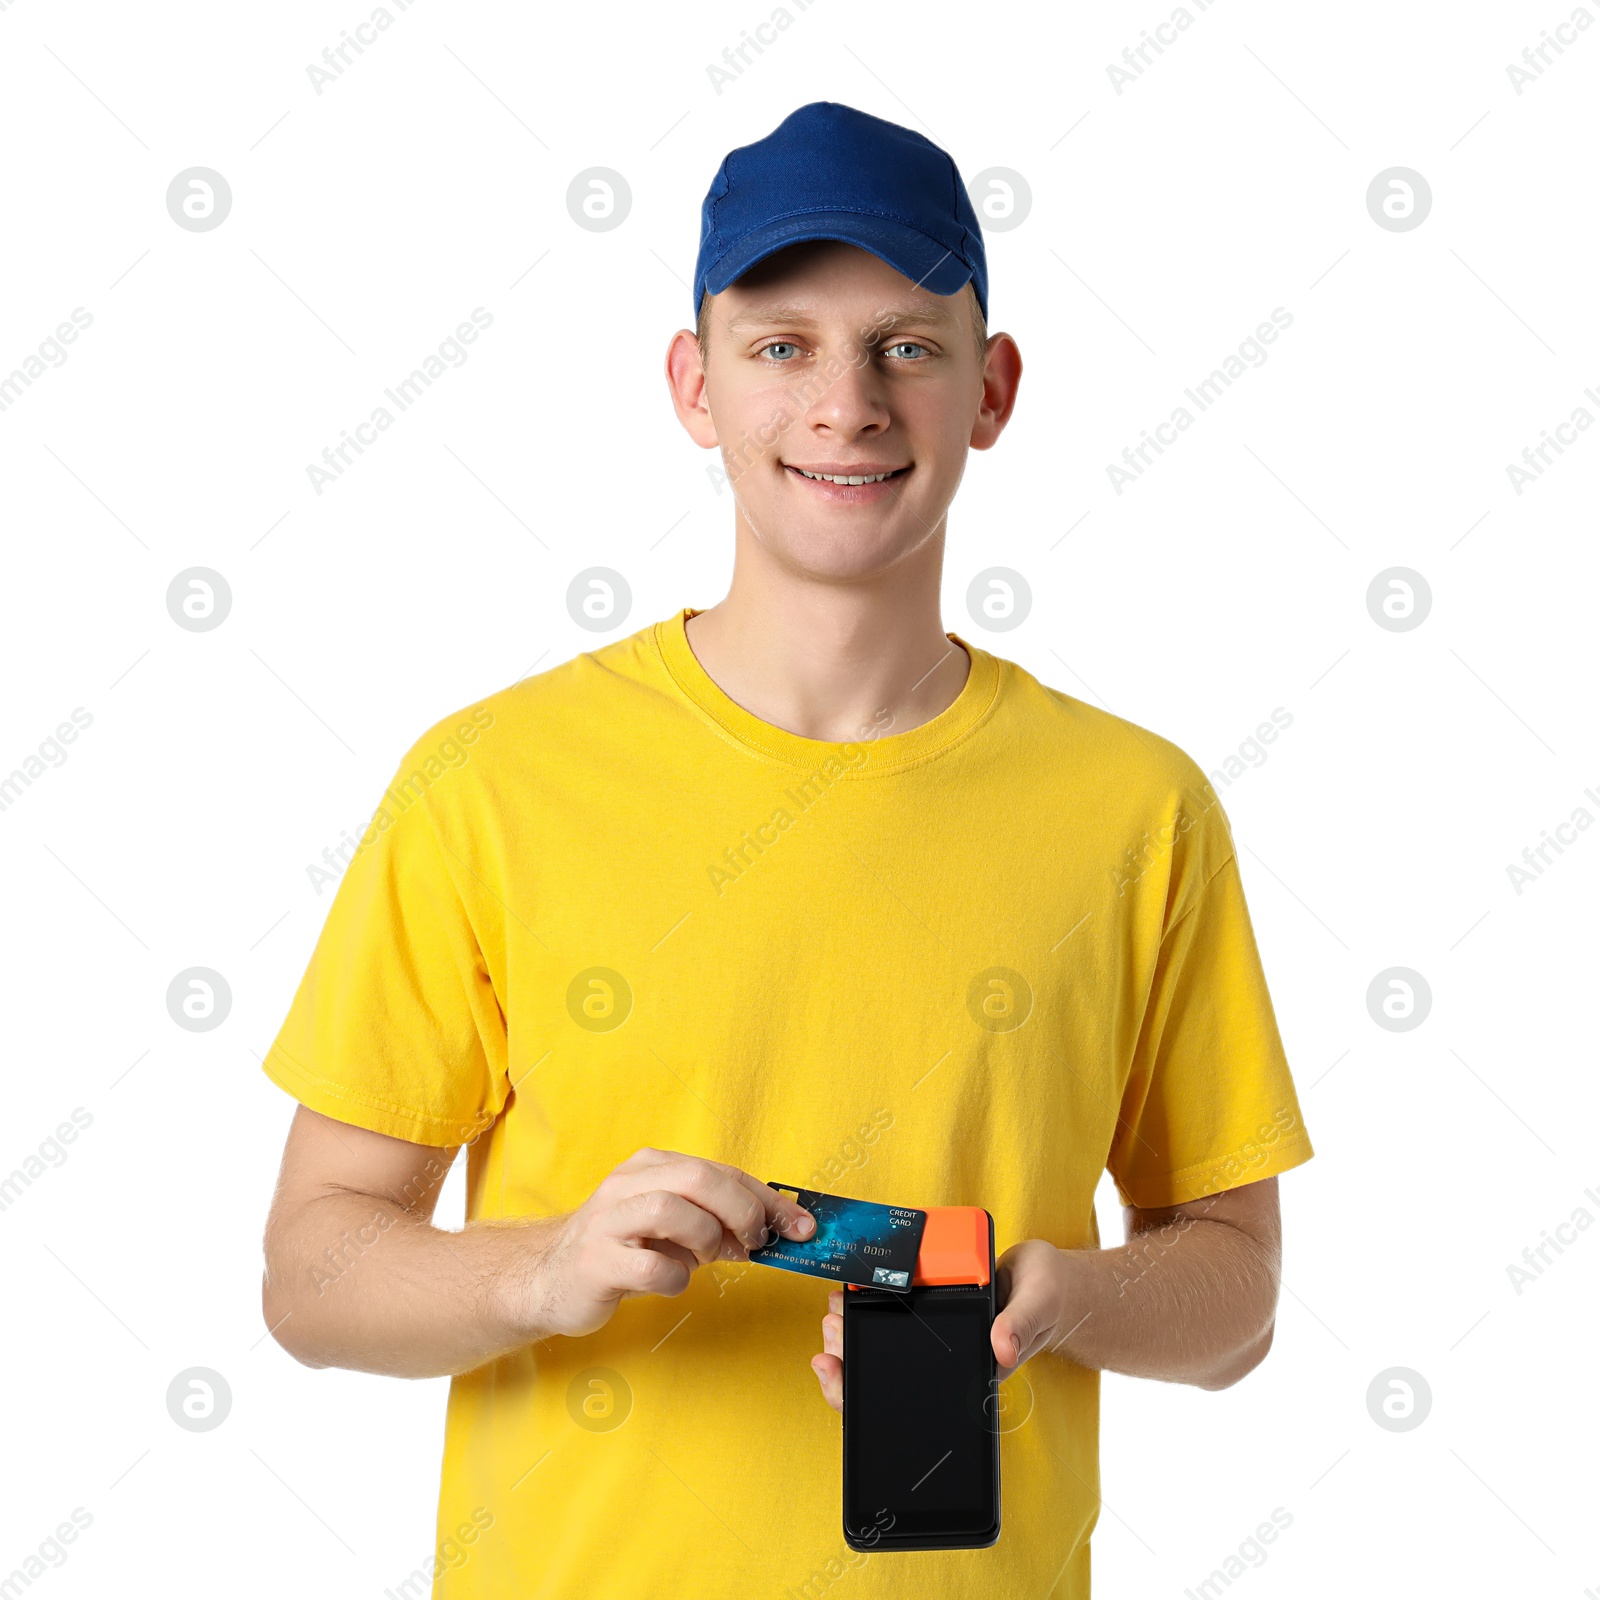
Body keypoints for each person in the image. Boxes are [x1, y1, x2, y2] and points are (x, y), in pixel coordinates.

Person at [259, 100, 1315, 1598]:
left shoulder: (1137, 808)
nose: (846, 406)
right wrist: (542, 1272)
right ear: (694, 385)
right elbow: (311, 1273)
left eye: (905, 345)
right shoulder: (488, 784)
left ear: (991, 388)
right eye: (780, 346)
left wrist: (1067, 1299)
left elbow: (1239, 1300)